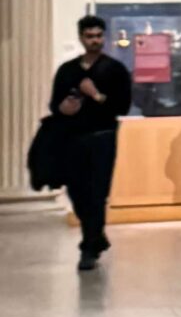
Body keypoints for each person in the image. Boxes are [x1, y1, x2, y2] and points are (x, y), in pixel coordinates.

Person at [48, 15, 132, 272]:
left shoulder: (115, 70)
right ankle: (96, 235)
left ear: (104, 37)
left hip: (103, 137)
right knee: (77, 191)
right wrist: (64, 107)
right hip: (72, 138)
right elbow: (54, 104)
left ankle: (89, 246)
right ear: (81, 38)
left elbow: (123, 106)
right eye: (89, 36)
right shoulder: (67, 70)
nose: (94, 41)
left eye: (98, 36)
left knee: (97, 192)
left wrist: (96, 95)